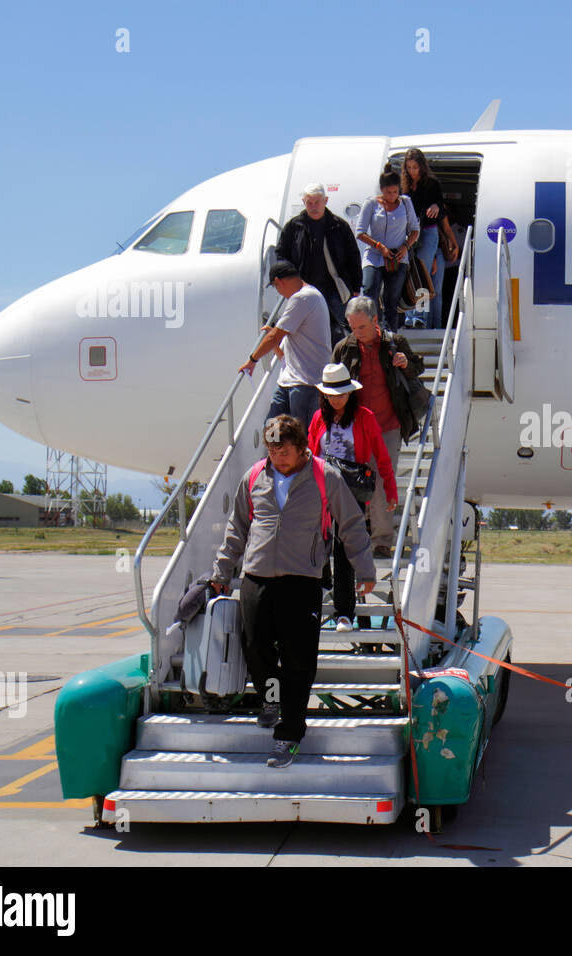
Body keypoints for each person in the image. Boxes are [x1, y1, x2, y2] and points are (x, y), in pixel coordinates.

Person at [210, 415, 376, 768]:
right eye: (272, 451)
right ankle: (271, 699)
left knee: (299, 660)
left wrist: (365, 569)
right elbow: (237, 526)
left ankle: (289, 735)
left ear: (302, 448)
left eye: (284, 452)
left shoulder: (324, 477)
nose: (278, 459)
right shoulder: (255, 476)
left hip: (302, 579)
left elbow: (351, 524)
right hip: (257, 575)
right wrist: (223, 570)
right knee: (255, 647)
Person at [331, 296, 425, 557]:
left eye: (361, 327)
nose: (356, 333)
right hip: (354, 427)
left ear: (375, 321)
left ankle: (382, 541)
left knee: (384, 482)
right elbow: (331, 385)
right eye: (352, 327)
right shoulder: (344, 348)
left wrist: (406, 364)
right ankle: (353, 537)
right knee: (350, 481)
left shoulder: (394, 343)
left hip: (387, 426)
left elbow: (418, 366)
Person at [307, 363, 397, 632]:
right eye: (332, 394)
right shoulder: (317, 418)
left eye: (342, 394)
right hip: (321, 491)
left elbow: (381, 455)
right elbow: (310, 455)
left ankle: (344, 613)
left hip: (350, 493)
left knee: (344, 551)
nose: (338, 399)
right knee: (315, 545)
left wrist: (391, 490)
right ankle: (318, 596)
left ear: (350, 393)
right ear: (324, 395)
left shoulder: (365, 417)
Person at [243, 261, 330, 428]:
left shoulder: (303, 297)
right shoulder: (310, 296)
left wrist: (252, 360)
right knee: (272, 431)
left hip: (304, 384)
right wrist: (273, 338)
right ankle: (275, 454)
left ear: (279, 281)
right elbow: (285, 347)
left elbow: (275, 337)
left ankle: (285, 453)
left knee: (298, 437)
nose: (280, 293)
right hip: (290, 381)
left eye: (276, 288)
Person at [275, 183, 365, 346]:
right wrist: (291, 280)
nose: (313, 206)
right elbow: (281, 255)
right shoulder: (293, 227)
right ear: (304, 202)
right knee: (307, 332)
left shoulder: (339, 226)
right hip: (305, 289)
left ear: (325, 201)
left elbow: (353, 256)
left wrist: (356, 288)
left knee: (346, 329)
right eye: (309, 202)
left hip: (335, 290)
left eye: (317, 202)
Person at [356, 164, 418, 330]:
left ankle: (390, 335)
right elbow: (360, 232)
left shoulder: (406, 203)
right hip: (375, 255)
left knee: (391, 299)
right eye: (388, 192)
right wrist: (379, 246)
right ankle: (371, 329)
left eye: (395, 192)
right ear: (382, 190)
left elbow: (415, 230)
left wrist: (405, 246)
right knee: (370, 291)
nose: (392, 196)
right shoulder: (371, 204)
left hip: (397, 257)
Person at [401, 149, 446, 329]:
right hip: (409, 234)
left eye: (415, 167)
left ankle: (419, 317)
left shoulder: (432, 184)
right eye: (409, 167)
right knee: (407, 274)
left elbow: (442, 211)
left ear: (421, 166)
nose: (412, 171)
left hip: (427, 232)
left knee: (422, 274)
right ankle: (409, 317)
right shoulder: (404, 186)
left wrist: (436, 206)